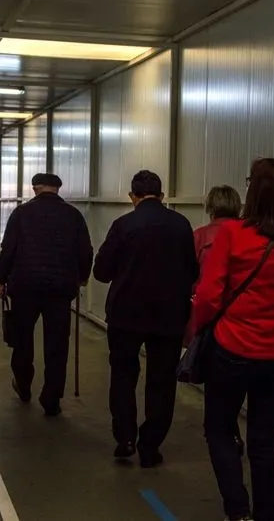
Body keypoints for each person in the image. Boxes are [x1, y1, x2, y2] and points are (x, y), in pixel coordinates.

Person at [192, 158, 274, 521]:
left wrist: (198, 330)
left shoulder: (233, 233)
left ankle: (238, 510)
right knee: (264, 442)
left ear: (254, 192)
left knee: (219, 430)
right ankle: (266, 515)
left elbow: (209, 296)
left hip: (232, 350)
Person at [93, 170, 198, 468]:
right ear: (162, 196)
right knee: (162, 381)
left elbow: (101, 271)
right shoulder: (181, 225)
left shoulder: (124, 225)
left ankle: (125, 438)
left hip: (126, 314)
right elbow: (192, 271)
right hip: (168, 315)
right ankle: (150, 446)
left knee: (124, 375)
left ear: (132, 196)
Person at [0, 173, 93, 417]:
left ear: (35, 189)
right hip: (60, 289)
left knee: (22, 339)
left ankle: (24, 385)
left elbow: (9, 248)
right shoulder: (73, 215)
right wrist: (82, 276)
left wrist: (0, 278)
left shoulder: (21, 214)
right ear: (57, 189)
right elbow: (85, 250)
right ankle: (51, 398)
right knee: (57, 345)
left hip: (24, 287)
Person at [187, 185, 246, 458]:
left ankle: (222, 430)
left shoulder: (200, 237)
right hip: (244, 319)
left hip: (210, 317)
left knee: (215, 381)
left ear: (210, 206)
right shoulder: (250, 236)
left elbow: (192, 280)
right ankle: (232, 425)